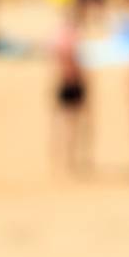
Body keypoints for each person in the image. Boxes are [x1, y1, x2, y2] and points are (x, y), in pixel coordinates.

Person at [52, 23, 91, 174]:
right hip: (71, 86)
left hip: (71, 86)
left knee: (68, 124)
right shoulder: (71, 46)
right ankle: (66, 157)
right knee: (68, 124)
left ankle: (67, 157)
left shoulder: (66, 47)